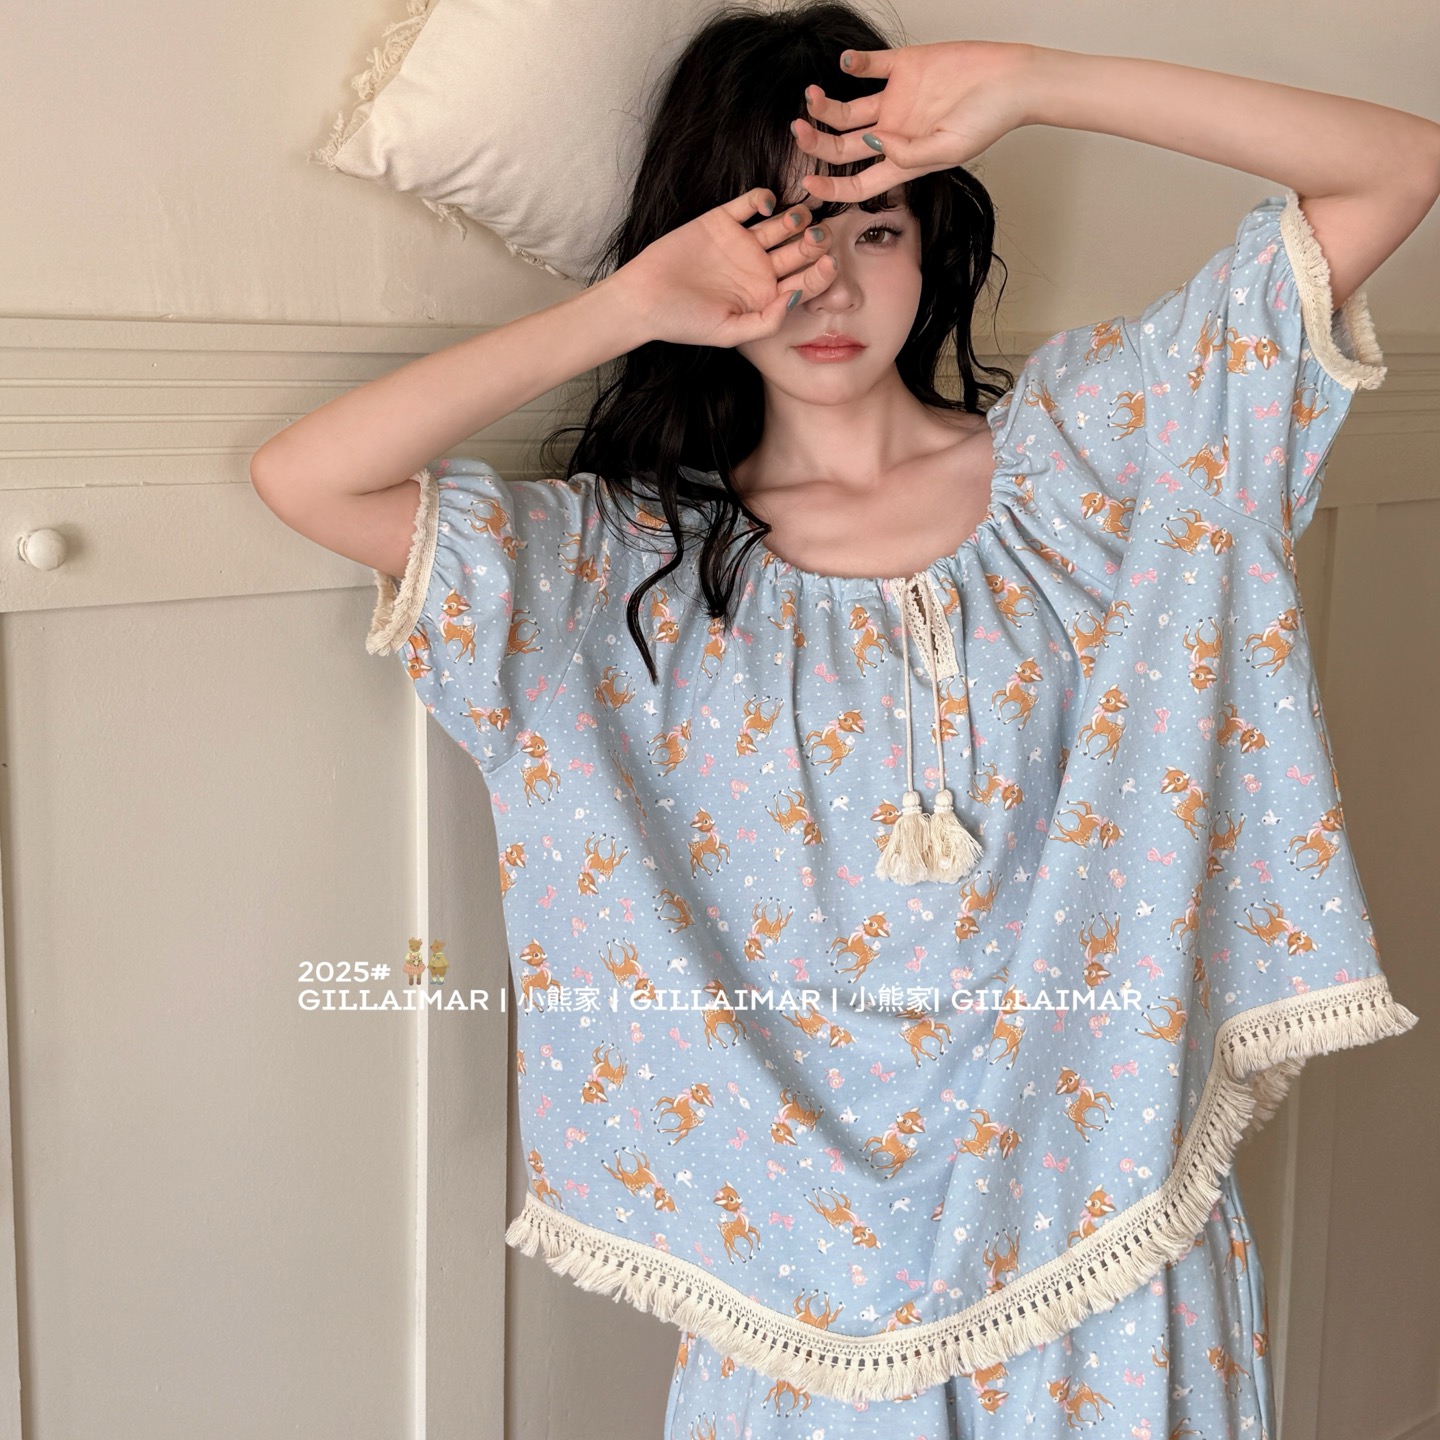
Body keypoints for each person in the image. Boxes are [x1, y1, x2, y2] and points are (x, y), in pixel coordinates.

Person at [250, 4, 1436, 1435]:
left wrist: (1036, 83)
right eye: (774, 235)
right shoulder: (620, 566)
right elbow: (309, 480)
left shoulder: (1097, 464)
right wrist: (628, 305)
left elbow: (1398, 167)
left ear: (933, 245)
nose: (824, 282)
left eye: (874, 226)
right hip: (794, 1293)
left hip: (1113, 1227)